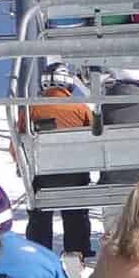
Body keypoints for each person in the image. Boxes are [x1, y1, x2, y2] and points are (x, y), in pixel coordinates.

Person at [19, 65, 93, 259]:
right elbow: (95, 139)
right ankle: (78, 250)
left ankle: (39, 251)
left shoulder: (30, 108)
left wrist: (22, 166)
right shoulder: (80, 108)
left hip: (42, 178)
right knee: (76, 214)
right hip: (75, 177)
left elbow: (17, 141)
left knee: (39, 215)